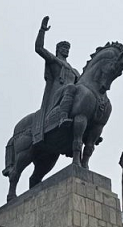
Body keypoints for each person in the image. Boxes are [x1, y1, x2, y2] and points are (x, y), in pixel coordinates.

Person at [32, 16, 80, 144]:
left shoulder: (74, 70)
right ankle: (63, 117)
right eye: (64, 48)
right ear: (58, 49)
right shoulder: (54, 61)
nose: (66, 50)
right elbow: (39, 48)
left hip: (71, 94)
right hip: (57, 93)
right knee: (71, 87)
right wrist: (42, 30)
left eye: (68, 49)